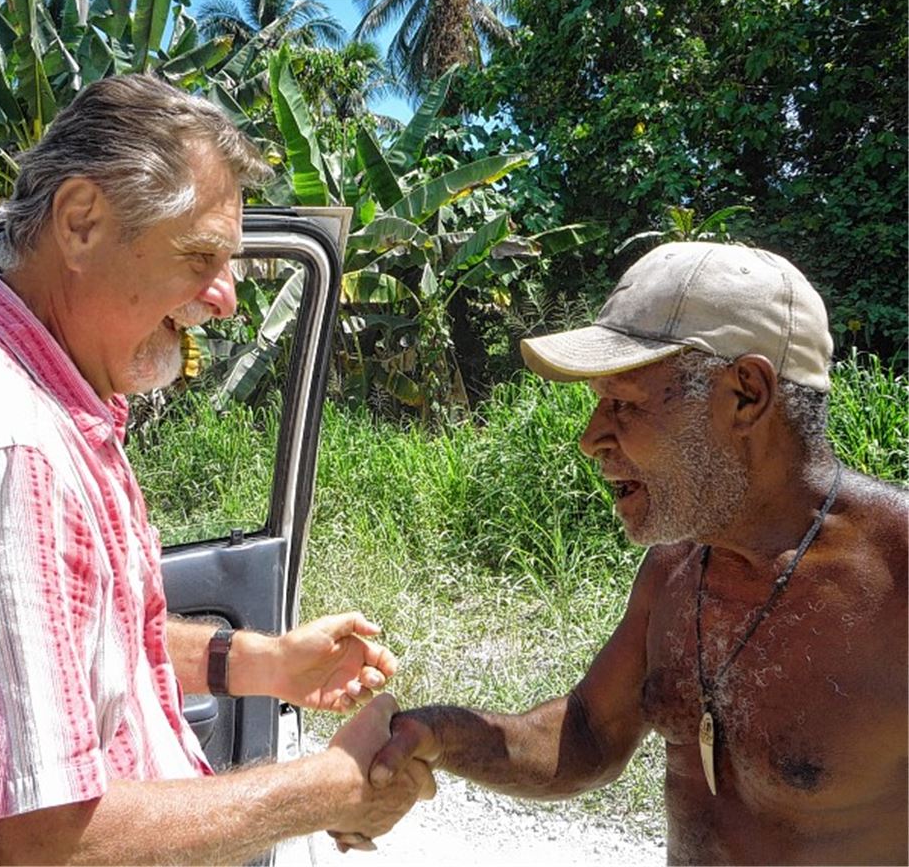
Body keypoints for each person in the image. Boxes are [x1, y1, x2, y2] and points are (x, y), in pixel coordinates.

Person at [0, 73, 434, 865]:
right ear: (82, 223)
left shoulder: (37, 405)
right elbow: (28, 845)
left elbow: (73, 636)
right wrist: (327, 787)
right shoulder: (5, 453)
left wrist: (260, 661)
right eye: (200, 254)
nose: (224, 298)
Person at [363, 242, 908, 865]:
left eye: (623, 403)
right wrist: (434, 736)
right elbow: (591, 735)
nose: (590, 437)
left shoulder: (899, 581)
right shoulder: (679, 564)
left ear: (747, 394)